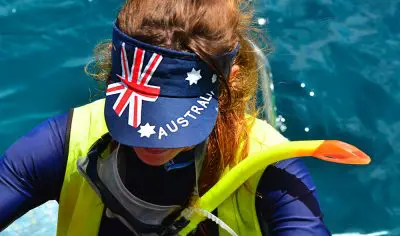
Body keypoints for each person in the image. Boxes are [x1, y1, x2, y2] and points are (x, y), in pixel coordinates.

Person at [0, 0, 331, 235]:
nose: (151, 137)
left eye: (175, 112)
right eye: (142, 107)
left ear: (229, 81)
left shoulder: (269, 168)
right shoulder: (67, 143)